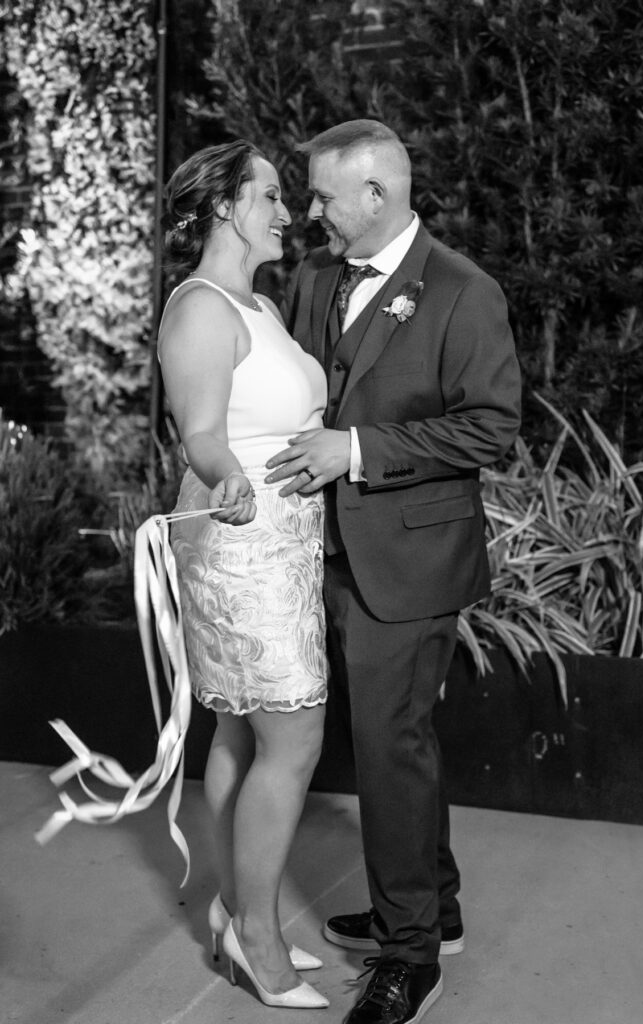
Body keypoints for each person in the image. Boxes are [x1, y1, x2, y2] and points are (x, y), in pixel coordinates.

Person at [265, 120, 522, 1024]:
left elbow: (492, 426)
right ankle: (434, 907)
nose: (310, 212)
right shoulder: (312, 278)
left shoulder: (463, 291)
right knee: (398, 742)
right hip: (320, 555)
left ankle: (410, 956)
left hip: (410, 561)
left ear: (376, 195)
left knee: (387, 747)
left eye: (324, 197)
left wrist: (361, 449)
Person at [158, 141, 330, 1010]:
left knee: (240, 733)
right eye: (268, 195)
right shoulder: (198, 308)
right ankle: (257, 934)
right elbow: (200, 431)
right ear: (226, 204)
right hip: (242, 536)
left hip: (288, 546)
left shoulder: (257, 304)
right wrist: (225, 476)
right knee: (291, 739)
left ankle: (235, 911)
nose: (287, 212)